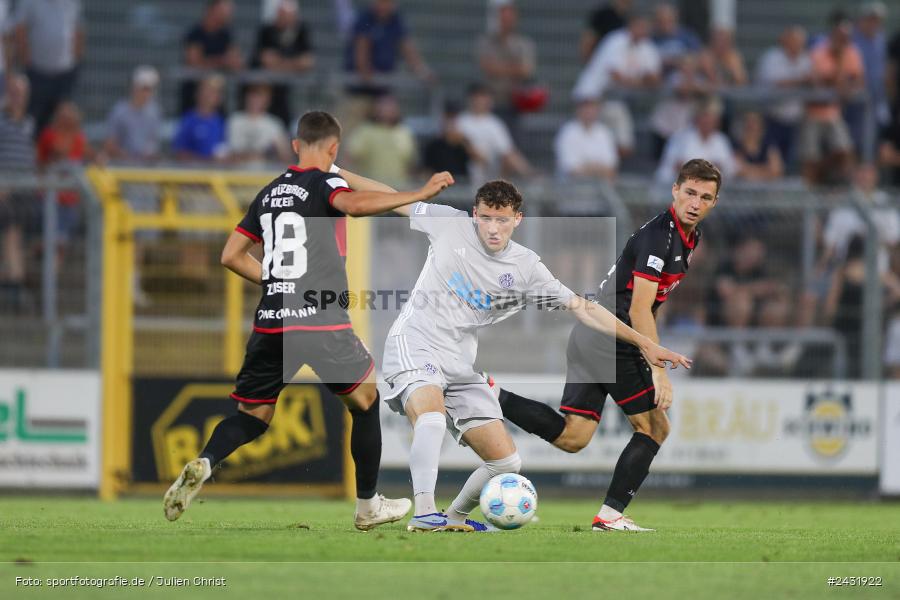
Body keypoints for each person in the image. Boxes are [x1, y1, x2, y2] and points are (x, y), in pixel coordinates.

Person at [163, 110, 456, 530]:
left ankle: (206, 462)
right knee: (366, 400)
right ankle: (368, 506)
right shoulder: (327, 183)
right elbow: (353, 205)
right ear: (334, 149)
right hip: (319, 319)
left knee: (251, 416)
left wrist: (276, 282)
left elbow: (229, 255)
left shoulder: (267, 193)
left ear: (295, 145)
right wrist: (418, 192)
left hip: (271, 320)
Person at [377, 180, 690, 532]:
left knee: (506, 462)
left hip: (458, 362)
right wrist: (336, 172)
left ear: (518, 220)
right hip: (416, 341)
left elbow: (583, 308)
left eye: (502, 220)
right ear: (474, 215)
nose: (492, 228)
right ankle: (424, 514)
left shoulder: (525, 267)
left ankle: (454, 518)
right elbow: (390, 199)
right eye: (485, 218)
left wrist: (643, 343)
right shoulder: (449, 224)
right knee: (431, 418)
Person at [496, 159, 719, 532]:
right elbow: (640, 308)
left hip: (593, 336)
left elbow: (646, 305)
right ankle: (611, 516)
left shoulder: (687, 238)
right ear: (675, 191)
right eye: (690, 192)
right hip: (611, 340)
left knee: (573, 437)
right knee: (654, 428)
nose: (695, 202)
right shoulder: (659, 237)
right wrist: (659, 371)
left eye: (705, 197)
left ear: (714, 203)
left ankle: (489, 394)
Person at [573, 12, 661, 156]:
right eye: (639, 27)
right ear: (630, 26)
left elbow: (655, 77)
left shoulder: (646, 46)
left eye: (645, 28)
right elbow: (616, 76)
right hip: (590, 97)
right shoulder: (616, 40)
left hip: (613, 101)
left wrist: (641, 81)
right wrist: (641, 82)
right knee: (589, 138)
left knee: (621, 143)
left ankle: (607, 164)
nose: (642, 31)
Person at [801, 12, 863, 185]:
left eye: (846, 36)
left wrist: (841, 62)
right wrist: (840, 81)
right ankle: (810, 199)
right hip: (814, 112)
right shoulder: (820, 51)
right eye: (840, 35)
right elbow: (820, 80)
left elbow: (858, 80)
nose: (843, 39)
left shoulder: (851, 52)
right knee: (810, 158)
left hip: (834, 112)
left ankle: (842, 193)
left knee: (845, 152)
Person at [11, 0, 84, 134]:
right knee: (33, 122)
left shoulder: (72, 3)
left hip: (65, 74)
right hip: (37, 73)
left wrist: (76, 63)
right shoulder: (29, 3)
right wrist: (27, 62)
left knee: (64, 121)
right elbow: (20, 30)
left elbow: (78, 31)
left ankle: (60, 155)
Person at [0, 74, 36, 311]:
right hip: (4, 188)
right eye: (13, 92)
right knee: (10, 235)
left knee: (15, 237)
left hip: (24, 189)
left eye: (21, 93)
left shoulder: (30, 123)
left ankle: (13, 283)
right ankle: (14, 284)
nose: (17, 97)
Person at [755, 26, 813, 165]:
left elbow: (812, 80)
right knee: (771, 158)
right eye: (794, 41)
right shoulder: (772, 57)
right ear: (786, 41)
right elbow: (775, 83)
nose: (797, 46)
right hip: (773, 119)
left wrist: (808, 81)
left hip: (796, 120)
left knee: (791, 160)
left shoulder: (805, 59)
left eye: (800, 43)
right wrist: (800, 81)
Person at [252, 0, 315, 125]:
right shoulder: (267, 31)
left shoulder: (301, 30)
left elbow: (308, 61)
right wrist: (293, 65)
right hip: (269, 89)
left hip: (289, 92)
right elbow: (266, 59)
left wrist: (281, 64)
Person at [477, 0, 536, 131]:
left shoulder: (523, 43)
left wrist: (499, 67)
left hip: (514, 104)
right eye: (503, 17)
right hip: (491, 102)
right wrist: (514, 68)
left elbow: (526, 70)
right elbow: (486, 66)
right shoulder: (487, 42)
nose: (506, 21)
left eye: (509, 17)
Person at [456, 83, 532, 183]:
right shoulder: (460, 121)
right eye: (479, 97)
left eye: (484, 97)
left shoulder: (494, 123)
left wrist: (528, 172)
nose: (481, 101)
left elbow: (508, 152)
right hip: (462, 177)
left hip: (487, 178)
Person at [181, 0, 242, 112]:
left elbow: (236, 63)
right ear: (213, 10)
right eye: (224, 11)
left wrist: (212, 62)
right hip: (193, 98)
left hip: (217, 99)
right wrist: (222, 61)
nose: (228, 14)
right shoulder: (195, 33)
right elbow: (194, 63)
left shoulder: (227, 34)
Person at [656, 98, 736, 184]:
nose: (708, 121)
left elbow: (729, 168)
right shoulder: (681, 138)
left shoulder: (721, 140)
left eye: (712, 117)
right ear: (697, 118)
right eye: (705, 116)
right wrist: (712, 167)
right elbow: (678, 167)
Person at [346, 93, 415, 186]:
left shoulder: (404, 131)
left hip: (399, 188)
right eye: (384, 106)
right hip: (371, 187)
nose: (388, 110)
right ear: (376, 109)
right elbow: (350, 156)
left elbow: (410, 163)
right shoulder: (365, 131)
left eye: (391, 107)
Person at [102, 66, 163, 164]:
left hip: (146, 168)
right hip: (123, 167)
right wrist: (128, 157)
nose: (148, 93)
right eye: (145, 88)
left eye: (150, 89)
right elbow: (109, 144)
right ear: (135, 87)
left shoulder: (155, 112)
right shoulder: (119, 111)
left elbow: (153, 145)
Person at [227, 83, 292, 168]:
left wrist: (270, 156)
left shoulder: (274, 124)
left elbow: (286, 157)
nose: (255, 100)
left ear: (267, 100)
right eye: (252, 96)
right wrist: (256, 156)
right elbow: (224, 154)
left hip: (263, 176)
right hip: (235, 174)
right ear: (246, 97)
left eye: (259, 96)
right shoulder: (234, 120)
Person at [554, 96, 618, 181]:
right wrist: (597, 169)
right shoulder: (567, 132)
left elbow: (611, 168)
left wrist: (587, 168)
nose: (589, 111)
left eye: (592, 107)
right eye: (585, 107)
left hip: (600, 187)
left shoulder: (604, 132)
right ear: (578, 109)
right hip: (571, 189)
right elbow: (571, 170)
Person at [172, 75, 227, 162]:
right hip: (193, 172)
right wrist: (206, 161)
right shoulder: (188, 120)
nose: (212, 96)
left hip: (214, 172)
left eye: (216, 92)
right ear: (199, 94)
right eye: (209, 91)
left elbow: (224, 150)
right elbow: (180, 152)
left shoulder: (220, 121)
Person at [421, 100, 481, 179]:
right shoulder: (433, 145)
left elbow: (480, 160)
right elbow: (426, 170)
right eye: (448, 118)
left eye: (453, 118)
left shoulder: (463, 142)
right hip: (440, 185)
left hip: (462, 185)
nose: (450, 123)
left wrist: (463, 142)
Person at [733, 111, 784, 181]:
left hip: (767, 189)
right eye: (749, 124)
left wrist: (750, 169)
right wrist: (766, 169)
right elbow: (738, 171)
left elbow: (777, 171)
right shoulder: (737, 146)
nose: (751, 126)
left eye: (754, 123)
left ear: (761, 127)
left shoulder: (769, 145)